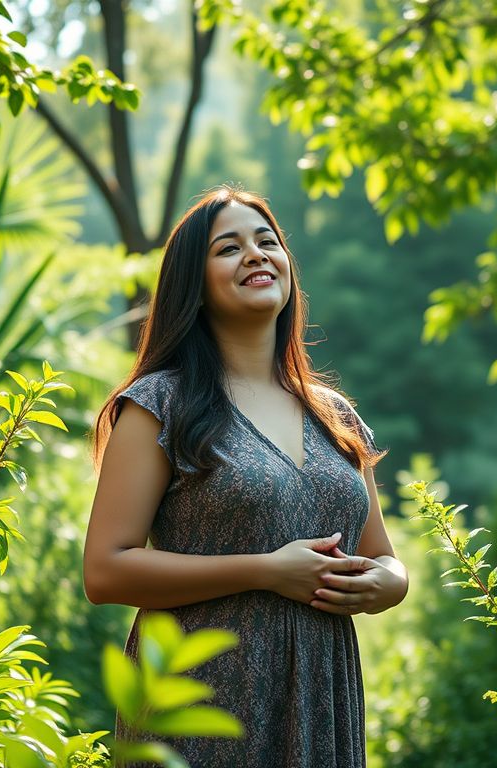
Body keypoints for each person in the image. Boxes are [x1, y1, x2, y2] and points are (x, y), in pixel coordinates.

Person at [83, 185, 409, 767]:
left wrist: (391, 583)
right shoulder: (160, 404)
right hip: (199, 698)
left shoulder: (333, 415)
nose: (256, 255)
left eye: (267, 242)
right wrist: (264, 572)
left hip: (322, 691)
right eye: (228, 248)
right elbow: (106, 570)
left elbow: (382, 554)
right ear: (194, 285)